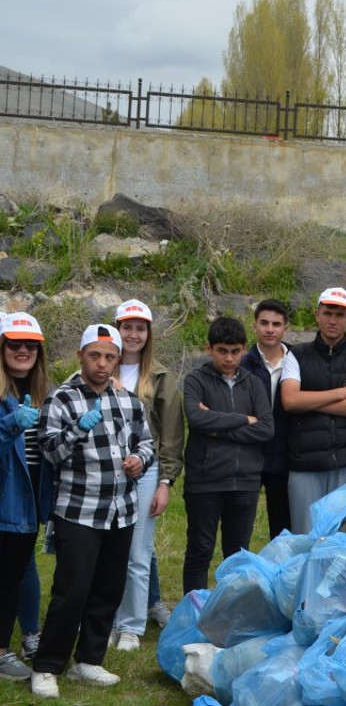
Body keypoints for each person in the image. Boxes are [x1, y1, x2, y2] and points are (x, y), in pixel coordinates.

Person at [31, 324, 154, 699]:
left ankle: (89, 660)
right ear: (80, 356)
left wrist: (139, 461)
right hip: (79, 510)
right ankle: (48, 666)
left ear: (118, 360)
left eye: (110, 357)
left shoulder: (129, 400)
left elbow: (146, 441)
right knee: (72, 590)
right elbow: (49, 452)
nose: (102, 364)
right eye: (95, 355)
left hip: (122, 510)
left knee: (107, 589)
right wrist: (76, 431)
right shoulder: (61, 400)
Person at [180, 317, 274, 593]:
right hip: (204, 480)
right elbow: (197, 419)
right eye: (222, 350)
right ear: (209, 348)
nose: (229, 358)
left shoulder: (255, 383)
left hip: (245, 481)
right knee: (200, 549)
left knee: (237, 553)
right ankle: (194, 612)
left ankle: (231, 613)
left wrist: (217, 425)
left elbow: (267, 429)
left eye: (235, 351)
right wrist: (245, 419)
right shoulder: (195, 380)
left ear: (244, 348)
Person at [110, 299, 184, 652]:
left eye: (140, 328)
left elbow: (171, 434)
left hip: (146, 470)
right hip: (104, 470)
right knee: (109, 550)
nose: (133, 334)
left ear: (148, 333)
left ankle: (131, 626)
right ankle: (107, 619)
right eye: (127, 327)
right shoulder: (99, 365)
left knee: (138, 552)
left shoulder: (160, 376)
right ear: (117, 329)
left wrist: (166, 482)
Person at [280, 287, 346, 534]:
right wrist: (340, 394)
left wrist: (309, 400)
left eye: (340, 315)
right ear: (317, 314)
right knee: (306, 536)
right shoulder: (296, 355)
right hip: (305, 461)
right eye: (328, 313)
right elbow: (289, 401)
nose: (333, 320)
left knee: (344, 539)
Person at [0, 313, 50, 681]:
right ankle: (2, 652)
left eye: (29, 345)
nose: (22, 350)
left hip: (29, 500)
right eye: (14, 344)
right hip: (5, 499)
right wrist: (8, 426)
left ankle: (21, 638)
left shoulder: (42, 394)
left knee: (17, 571)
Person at [241, 299, 293, 537]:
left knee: (282, 525)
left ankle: (281, 572)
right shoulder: (242, 363)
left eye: (276, 324)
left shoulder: (296, 360)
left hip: (285, 453)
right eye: (264, 323)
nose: (270, 329)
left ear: (285, 328)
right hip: (249, 453)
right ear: (255, 326)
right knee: (240, 523)